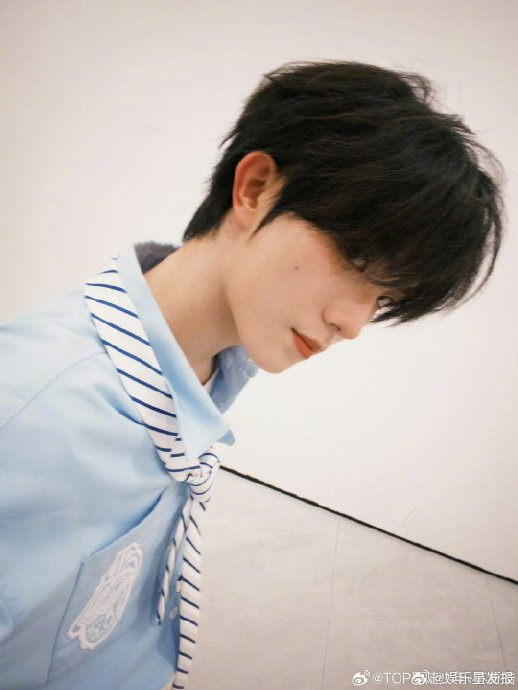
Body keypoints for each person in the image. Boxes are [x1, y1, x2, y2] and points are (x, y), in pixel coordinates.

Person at [0, 60, 504, 690]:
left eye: (383, 298)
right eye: (353, 255)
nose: (352, 323)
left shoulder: (208, 367)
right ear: (257, 187)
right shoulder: (31, 412)